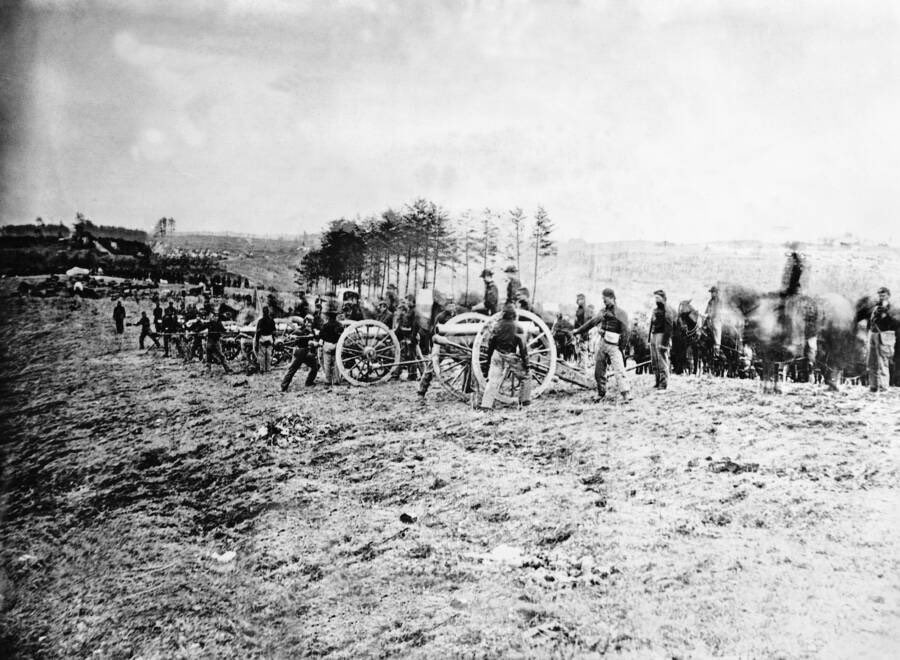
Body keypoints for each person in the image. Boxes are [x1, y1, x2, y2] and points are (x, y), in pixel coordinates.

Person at [574, 288, 631, 402]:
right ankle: (601, 393)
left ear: (612, 298)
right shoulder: (602, 312)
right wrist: (578, 331)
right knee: (599, 370)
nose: (603, 301)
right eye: (603, 299)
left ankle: (626, 394)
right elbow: (591, 323)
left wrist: (621, 348)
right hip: (603, 343)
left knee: (619, 370)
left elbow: (626, 333)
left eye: (605, 299)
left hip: (615, 345)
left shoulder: (621, 313)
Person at [479, 304, 531, 409]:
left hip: (497, 355)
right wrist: (526, 363)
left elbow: (491, 345)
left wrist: (488, 361)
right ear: (514, 314)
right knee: (526, 377)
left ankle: (486, 406)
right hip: (510, 356)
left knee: (492, 381)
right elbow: (523, 348)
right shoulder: (518, 327)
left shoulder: (496, 326)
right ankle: (524, 404)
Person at [417, 301, 459, 398]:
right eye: (450, 305)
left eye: (453, 305)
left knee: (467, 363)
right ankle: (421, 390)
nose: (452, 307)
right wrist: (433, 348)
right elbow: (434, 333)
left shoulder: (456, 316)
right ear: (445, 307)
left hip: (454, 344)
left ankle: (467, 388)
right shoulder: (440, 317)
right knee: (431, 367)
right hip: (441, 345)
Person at [867, 286, 896, 392]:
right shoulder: (876, 306)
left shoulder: (892, 308)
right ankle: (873, 386)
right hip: (873, 334)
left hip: (884, 335)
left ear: (888, 296)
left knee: (883, 362)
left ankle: (883, 386)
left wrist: (885, 311)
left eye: (883, 295)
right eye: (879, 295)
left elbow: (893, 322)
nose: (881, 297)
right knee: (872, 361)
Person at [280, 316, 319, 391]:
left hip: (307, 352)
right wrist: (292, 336)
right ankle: (284, 386)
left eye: (311, 322)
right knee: (293, 369)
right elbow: (290, 337)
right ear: (305, 322)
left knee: (315, 366)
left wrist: (315, 342)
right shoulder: (299, 331)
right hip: (300, 352)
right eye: (309, 322)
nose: (310, 324)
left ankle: (309, 382)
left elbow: (314, 339)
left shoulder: (312, 331)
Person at [649, 289, 676, 390]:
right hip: (654, 335)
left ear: (663, 298)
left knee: (661, 360)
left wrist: (664, 343)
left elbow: (669, 327)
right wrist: (649, 339)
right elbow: (651, 325)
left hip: (662, 335)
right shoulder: (655, 310)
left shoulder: (667, 310)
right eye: (655, 297)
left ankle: (663, 383)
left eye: (658, 297)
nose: (656, 299)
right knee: (654, 360)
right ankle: (657, 381)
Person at [391, 300, 419, 381]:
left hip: (411, 339)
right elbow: (399, 330)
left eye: (399, 310)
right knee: (402, 356)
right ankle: (396, 374)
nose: (397, 312)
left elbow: (415, 327)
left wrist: (411, 338)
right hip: (404, 339)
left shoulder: (412, 314)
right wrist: (393, 336)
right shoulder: (402, 317)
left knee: (412, 357)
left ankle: (413, 375)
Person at [318, 305, 343, 386]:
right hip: (336, 345)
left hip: (327, 345)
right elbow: (342, 336)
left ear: (328, 317)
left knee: (327, 364)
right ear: (336, 316)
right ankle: (336, 380)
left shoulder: (325, 325)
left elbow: (321, 335)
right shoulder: (339, 325)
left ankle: (328, 380)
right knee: (337, 363)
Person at [255, 306, 277, 374]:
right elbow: (274, 332)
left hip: (262, 339)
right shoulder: (272, 321)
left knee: (262, 356)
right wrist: (273, 340)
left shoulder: (260, 321)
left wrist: (256, 342)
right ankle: (268, 369)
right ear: (268, 312)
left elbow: (258, 332)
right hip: (270, 338)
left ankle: (262, 369)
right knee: (269, 355)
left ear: (263, 313)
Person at [704, 286, 723, 355]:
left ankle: (717, 348)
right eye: (711, 292)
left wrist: (711, 315)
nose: (712, 294)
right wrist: (706, 315)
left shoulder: (719, 301)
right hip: (710, 319)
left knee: (717, 329)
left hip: (716, 319)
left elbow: (717, 311)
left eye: (713, 292)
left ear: (716, 293)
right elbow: (706, 310)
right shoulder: (710, 301)